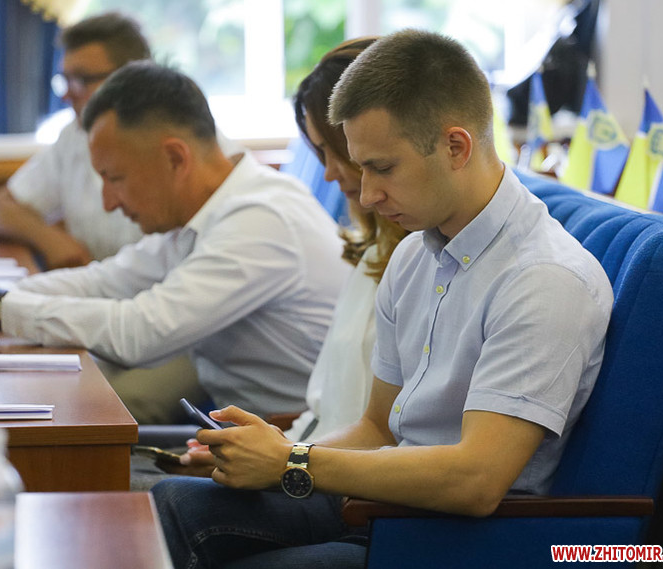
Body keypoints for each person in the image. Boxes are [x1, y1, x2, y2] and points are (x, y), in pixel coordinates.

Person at [150, 29, 614, 569]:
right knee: (174, 502)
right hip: (388, 506)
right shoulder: (414, 253)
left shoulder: (544, 279)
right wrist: (265, 457)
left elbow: (477, 480)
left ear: (456, 147)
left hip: (467, 538)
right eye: (361, 166)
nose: (367, 195)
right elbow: (377, 427)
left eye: (383, 167)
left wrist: (293, 461)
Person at [0, 61, 351, 421]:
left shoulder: (260, 220)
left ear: (174, 158)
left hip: (304, 458)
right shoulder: (204, 211)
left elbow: (139, 333)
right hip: (253, 440)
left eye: (115, 178)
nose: (109, 201)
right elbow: (103, 281)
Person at [169, 37, 409, 478]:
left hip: (346, 487)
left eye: (335, 151)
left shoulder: (419, 265)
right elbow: (327, 412)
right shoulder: (373, 253)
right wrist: (268, 450)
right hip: (318, 462)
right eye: (319, 153)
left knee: (155, 494)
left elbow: (385, 437)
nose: (330, 172)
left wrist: (284, 461)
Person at [0, 12, 151, 270]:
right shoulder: (75, 135)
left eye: (81, 80)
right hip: (94, 287)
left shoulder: (172, 140)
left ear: (129, 78)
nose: (66, 95)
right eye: (65, 79)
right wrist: (51, 240)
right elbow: (1, 208)